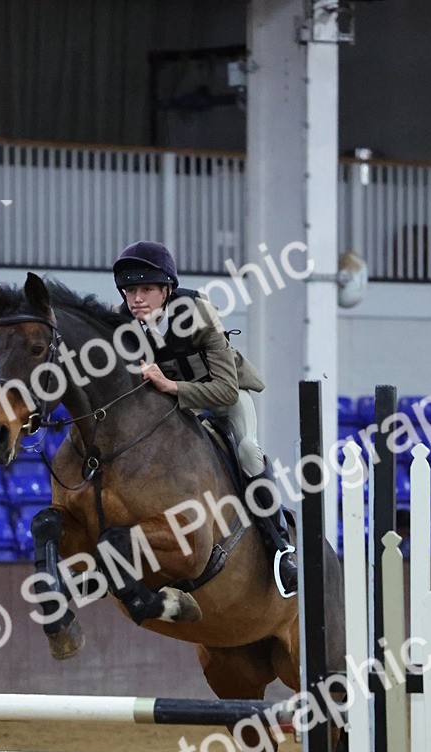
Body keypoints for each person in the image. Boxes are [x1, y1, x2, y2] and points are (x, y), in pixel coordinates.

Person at [112, 240, 297, 598]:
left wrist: (171, 386)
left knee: (246, 451)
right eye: (130, 290)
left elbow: (226, 391)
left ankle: (280, 550)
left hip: (224, 396)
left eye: (146, 289)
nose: (136, 298)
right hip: (174, 406)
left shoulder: (198, 312)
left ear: (167, 290)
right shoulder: (122, 324)